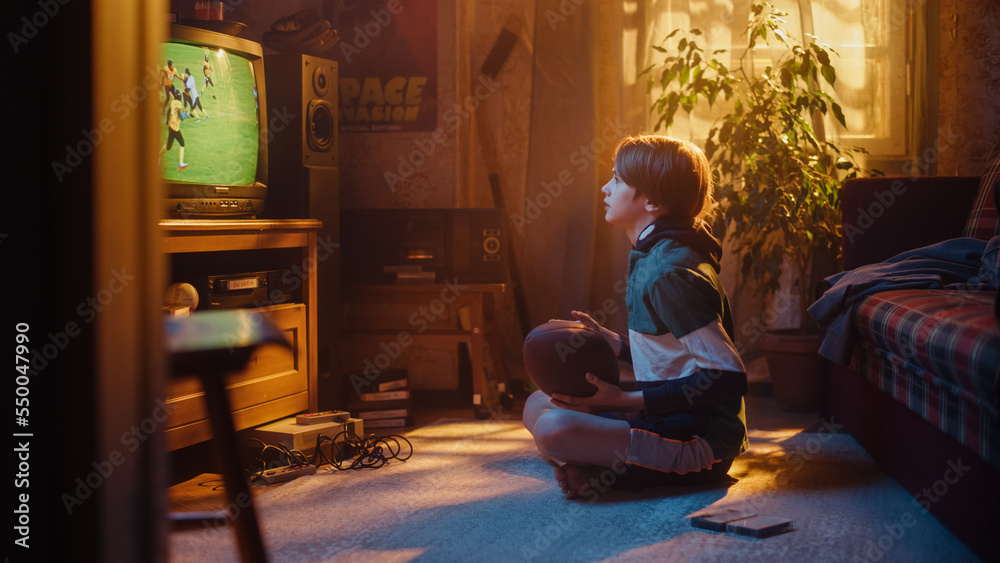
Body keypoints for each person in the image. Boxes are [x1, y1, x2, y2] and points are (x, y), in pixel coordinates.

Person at [523, 135, 748, 499]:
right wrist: (612, 343)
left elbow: (727, 378)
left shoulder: (672, 272)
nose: (605, 187)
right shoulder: (654, 253)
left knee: (553, 431)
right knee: (537, 404)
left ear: (653, 201)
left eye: (617, 180)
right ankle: (609, 461)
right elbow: (675, 356)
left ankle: (617, 474)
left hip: (698, 441)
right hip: (660, 416)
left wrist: (622, 401)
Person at [159, 88, 188, 171]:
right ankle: (181, 163)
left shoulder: (172, 102)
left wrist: (167, 121)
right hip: (175, 128)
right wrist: (186, 114)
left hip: (170, 126)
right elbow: (182, 118)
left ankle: (157, 156)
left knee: (168, 146)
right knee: (182, 143)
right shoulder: (178, 103)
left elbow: (168, 111)